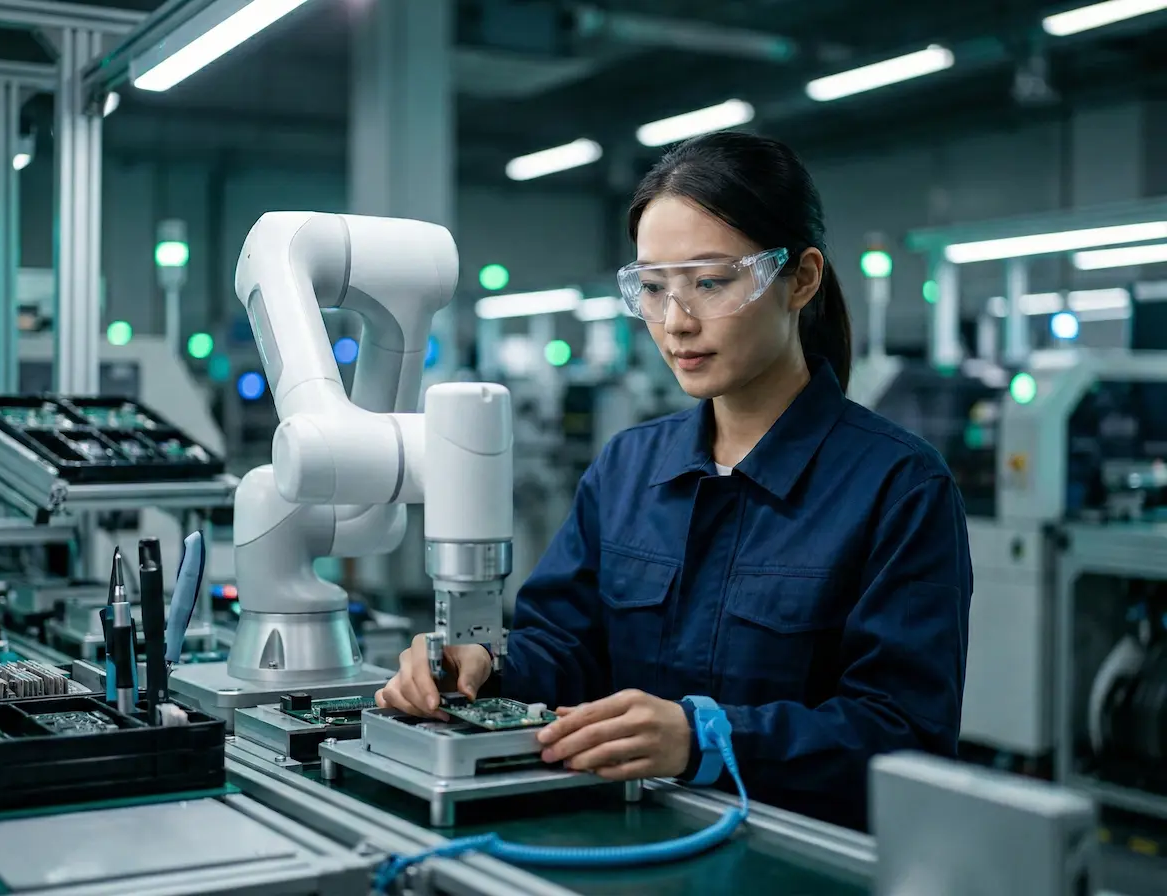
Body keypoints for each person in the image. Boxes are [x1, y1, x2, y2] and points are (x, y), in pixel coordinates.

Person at [377, 131, 973, 832]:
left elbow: (902, 735)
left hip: (798, 857)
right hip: (624, 833)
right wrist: (481, 661)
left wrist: (704, 740)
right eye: (653, 289)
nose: (676, 323)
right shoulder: (629, 469)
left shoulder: (897, 487)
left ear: (801, 279)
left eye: (710, 283)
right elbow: (567, 646)